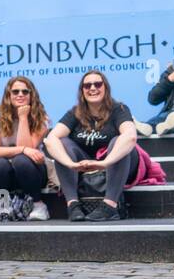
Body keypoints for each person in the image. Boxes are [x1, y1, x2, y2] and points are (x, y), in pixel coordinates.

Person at [44, 70, 138, 222]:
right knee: (61, 143)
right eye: (87, 85)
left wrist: (105, 163)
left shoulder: (118, 109)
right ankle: (73, 205)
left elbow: (131, 136)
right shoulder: (75, 112)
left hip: (116, 163)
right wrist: (71, 164)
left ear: (105, 88)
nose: (92, 88)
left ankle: (110, 206)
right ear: (82, 91)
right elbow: (51, 139)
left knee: (119, 141)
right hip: (84, 164)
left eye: (98, 84)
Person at [0, 76, 51, 221]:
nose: (20, 95)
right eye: (15, 92)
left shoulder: (41, 118)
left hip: (32, 171)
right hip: (4, 173)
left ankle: (38, 205)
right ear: (8, 95)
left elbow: (28, 148)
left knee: (21, 160)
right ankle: (2, 205)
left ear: (31, 95)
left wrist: (23, 118)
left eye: (25, 92)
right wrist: (23, 149)